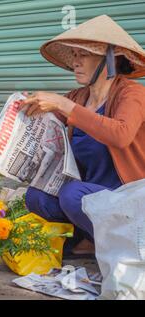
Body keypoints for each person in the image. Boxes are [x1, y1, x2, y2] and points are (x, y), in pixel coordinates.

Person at [20, 15, 145, 256]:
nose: (76, 62)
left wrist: (62, 105)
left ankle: (124, 246)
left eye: (83, 55)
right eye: (74, 55)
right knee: (37, 196)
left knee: (72, 195)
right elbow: (49, 129)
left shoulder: (132, 94)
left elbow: (121, 134)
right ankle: (91, 239)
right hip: (93, 196)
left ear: (109, 59)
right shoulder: (78, 97)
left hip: (128, 199)